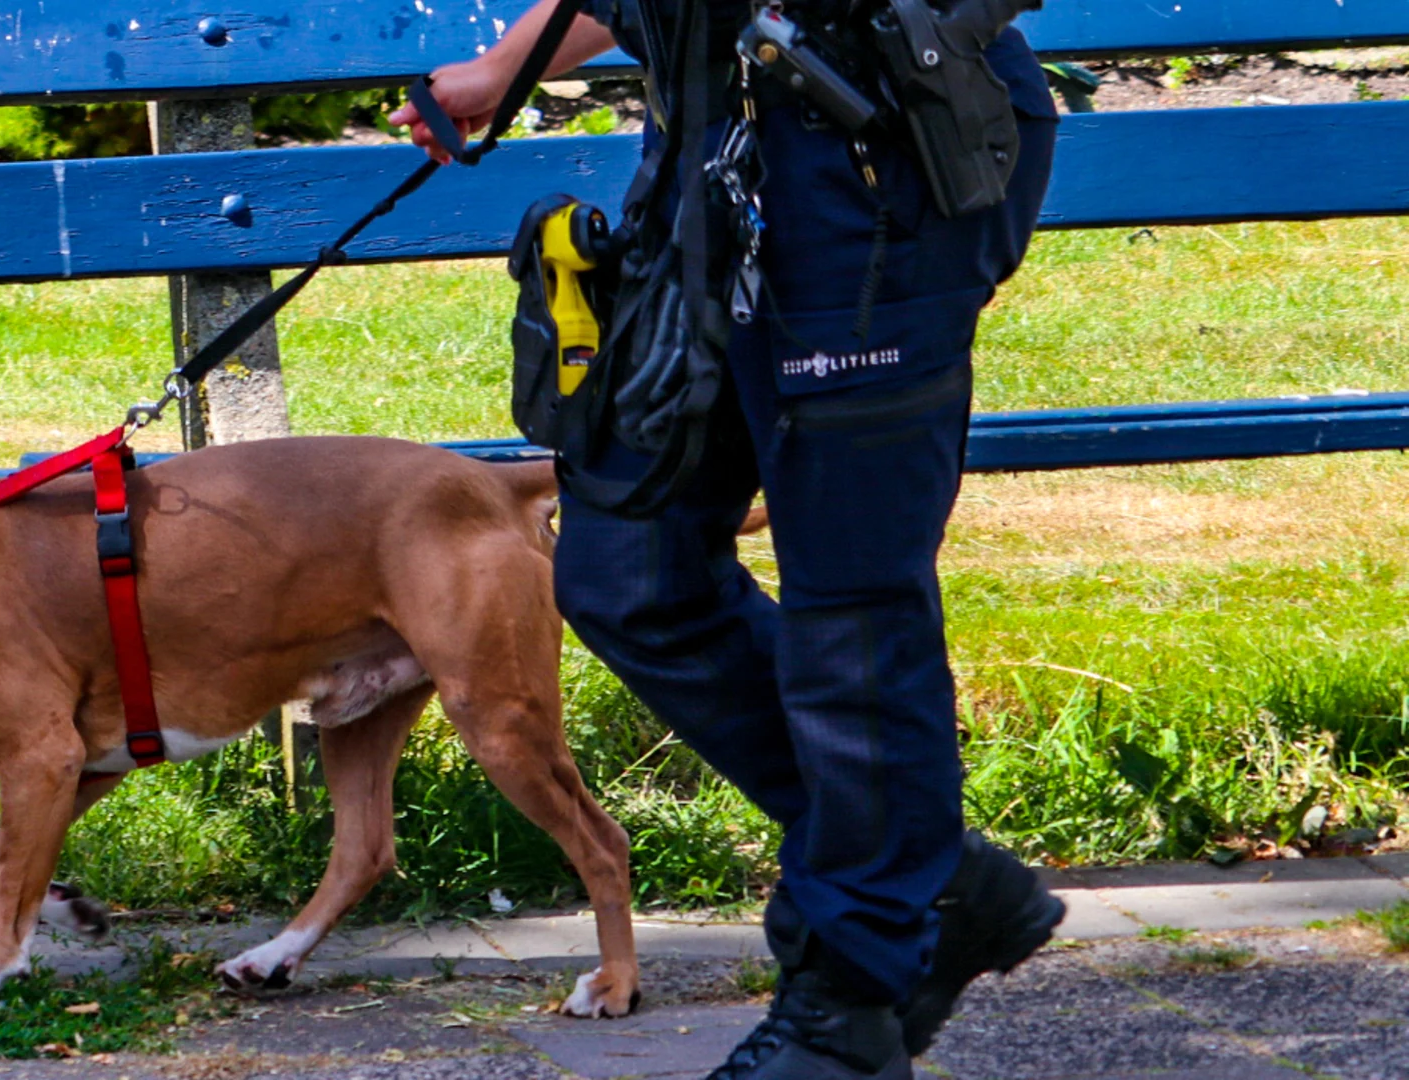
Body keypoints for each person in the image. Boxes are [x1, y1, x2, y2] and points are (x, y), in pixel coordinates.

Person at [392, 2, 1065, 1078]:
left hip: (875, 161)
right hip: (705, 174)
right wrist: (502, 69)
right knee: (628, 570)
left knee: (852, 613)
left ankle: (847, 1008)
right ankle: (929, 875)